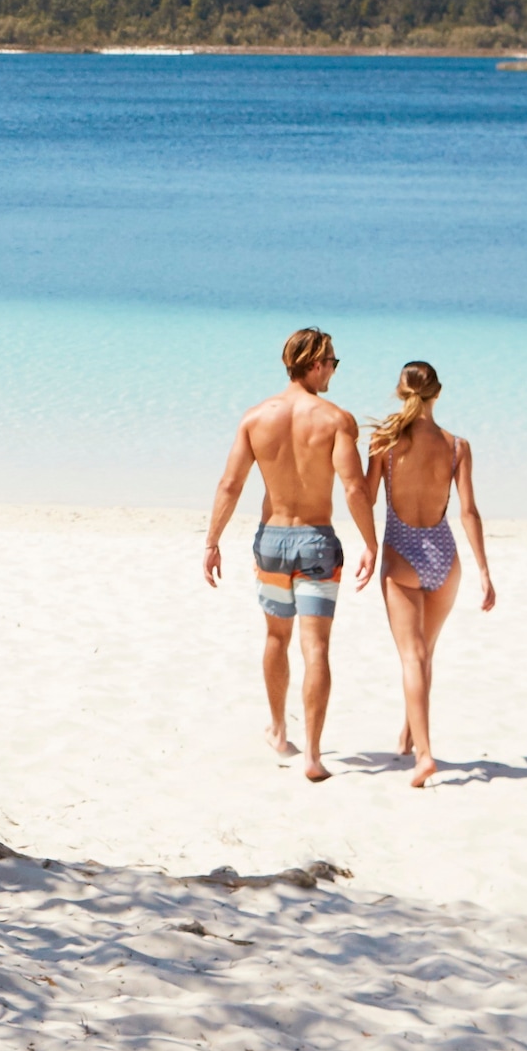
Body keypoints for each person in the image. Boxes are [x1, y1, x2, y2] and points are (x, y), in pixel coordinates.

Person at [200, 327, 375, 779]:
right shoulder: (336, 419)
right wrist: (371, 543)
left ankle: (279, 733)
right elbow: (354, 487)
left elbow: (230, 484)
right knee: (316, 647)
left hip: (272, 542)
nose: (335, 368)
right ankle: (314, 757)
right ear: (315, 364)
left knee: (276, 638)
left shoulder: (256, 418)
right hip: (316, 541)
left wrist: (212, 540)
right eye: (333, 361)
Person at [364, 357, 496, 786]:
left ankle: (424, 754)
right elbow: (469, 512)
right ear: (437, 394)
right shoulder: (458, 446)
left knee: (412, 655)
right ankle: (407, 735)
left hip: (402, 551)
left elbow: (364, 498)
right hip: (445, 555)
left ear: (400, 393)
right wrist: (483, 570)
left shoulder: (384, 443)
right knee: (425, 653)